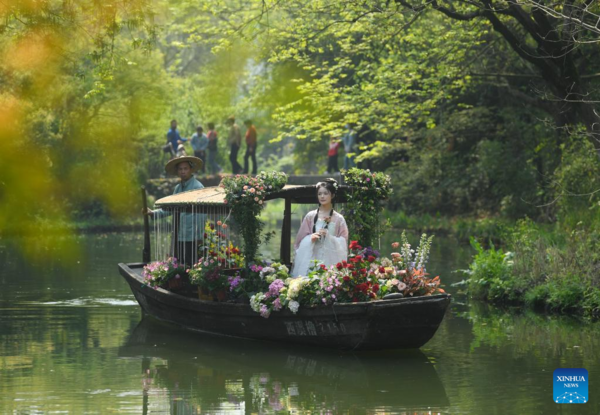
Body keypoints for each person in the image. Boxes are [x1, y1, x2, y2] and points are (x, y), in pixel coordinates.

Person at [144, 156, 206, 266]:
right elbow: (170, 208)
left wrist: (199, 237)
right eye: (180, 169)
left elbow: (202, 214)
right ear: (177, 171)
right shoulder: (178, 188)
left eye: (185, 168)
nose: (183, 171)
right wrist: (153, 213)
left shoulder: (198, 187)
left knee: (193, 265)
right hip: (179, 233)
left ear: (190, 169)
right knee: (180, 265)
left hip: (193, 236)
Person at [291, 178, 349, 277]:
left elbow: (344, 241)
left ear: (332, 195)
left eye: (325, 193)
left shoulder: (339, 218)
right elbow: (298, 242)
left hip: (331, 260)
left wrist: (329, 237)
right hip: (312, 258)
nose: (322, 196)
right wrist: (310, 238)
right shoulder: (310, 216)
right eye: (319, 194)